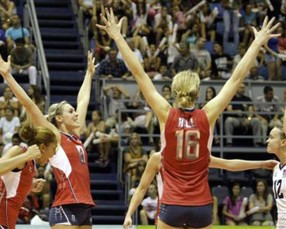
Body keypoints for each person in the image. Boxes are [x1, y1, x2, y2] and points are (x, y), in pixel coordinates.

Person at [97, 10, 280, 228]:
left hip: (172, 204)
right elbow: (236, 78)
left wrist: (118, 37)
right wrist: (257, 42)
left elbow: (138, 73)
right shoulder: (207, 114)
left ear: (175, 91)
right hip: (201, 205)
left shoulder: (166, 113)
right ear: (197, 91)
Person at [0, 50, 96, 228]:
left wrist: (89, 74)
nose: (76, 114)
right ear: (59, 119)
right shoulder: (56, 136)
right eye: (71, 111)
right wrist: (7, 76)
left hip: (84, 205)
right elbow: (29, 105)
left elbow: (83, 99)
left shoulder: (75, 136)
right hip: (65, 205)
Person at [123, 152, 277, 229]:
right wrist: (129, 213)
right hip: (169, 210)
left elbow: (229, 164)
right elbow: (142, 188)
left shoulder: (197, 155)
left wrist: (261, 164)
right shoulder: (159, 157)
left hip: (189, 209)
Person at [0, 118, 58, 229]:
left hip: (5, 224)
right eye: (53, 148)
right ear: (43, 147)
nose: (54, 153)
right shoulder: (20, 151)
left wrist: (30, 185)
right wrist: (26, 155)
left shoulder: (31, 164)